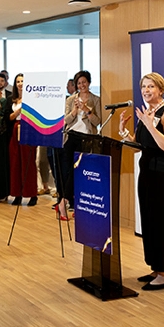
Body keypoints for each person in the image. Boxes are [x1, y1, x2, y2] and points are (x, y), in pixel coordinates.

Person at [119, 72, 164, 291]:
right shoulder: (147, 113)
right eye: (144, 87)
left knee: (162, 222)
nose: (146, 90)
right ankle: (156, 267)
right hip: (147, 172)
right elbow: (141, 145)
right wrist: (124, 132)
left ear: (161, 89)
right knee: (150, 221)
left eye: (151, 87)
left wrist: (150, 125)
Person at [56, 70, 101, 219]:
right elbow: (66, 121)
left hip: (87, 139)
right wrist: (75, 110)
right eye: (79, 83)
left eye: (84, 82)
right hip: (71, 137)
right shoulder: (70, 100)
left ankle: (68, 204)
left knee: (82, 173)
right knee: (70, 172)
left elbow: (97, 122)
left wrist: (87, 110)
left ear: (89, 82)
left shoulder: (95, 99)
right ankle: (68, 203)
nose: (82, 85)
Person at [5, 73, 38, 206]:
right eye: (18, 81)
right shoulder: (10, 99)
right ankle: (17, 194)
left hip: (28, 130)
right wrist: (18, 111)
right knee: (15, 163)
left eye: (22, 81)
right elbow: (9, 117)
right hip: (14, 130)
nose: (20, 84)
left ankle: (32, 194)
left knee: (28, 163)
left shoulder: (33, 99)